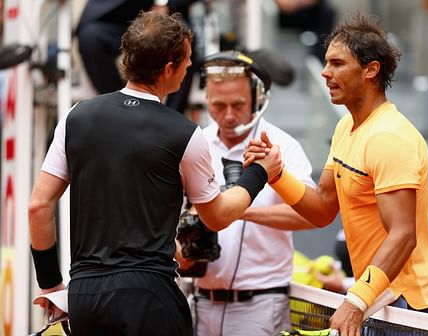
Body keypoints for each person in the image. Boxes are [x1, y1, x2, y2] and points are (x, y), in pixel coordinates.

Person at [28, 11, 282, 336]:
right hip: (149, 298)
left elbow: (38, 206)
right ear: (168, 70)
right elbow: (217, 216)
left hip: (84, 298)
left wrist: (51, 285)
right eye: (187, 61)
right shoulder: (185, 133)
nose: (190, 67)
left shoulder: (76, 117)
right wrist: (259, 173)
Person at [244, 14, 428, 335]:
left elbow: (403, 235)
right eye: (327, 63)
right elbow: (324, 208)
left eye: (338, 64)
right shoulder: (346, 126)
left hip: (411, 307)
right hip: (378, 299)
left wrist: (355, 300)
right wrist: (277, 175)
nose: (325, 73)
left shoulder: (389, 137)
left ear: (371, 70)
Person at [183, 50, 316, 336]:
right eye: (219, 105)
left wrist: (234, 210)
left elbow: (311, 215)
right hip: (200, 302)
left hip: (262, 304)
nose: (229, 115)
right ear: (206, 99)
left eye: (238, 104)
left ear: (257, 99)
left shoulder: (283, 145)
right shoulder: (195, 143)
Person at [76, 0, 199, 113]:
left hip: (167, 13)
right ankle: (122, 108)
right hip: (119, 17)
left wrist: (163, 2)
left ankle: (172, 116)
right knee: (90, 38)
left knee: (185, 40)